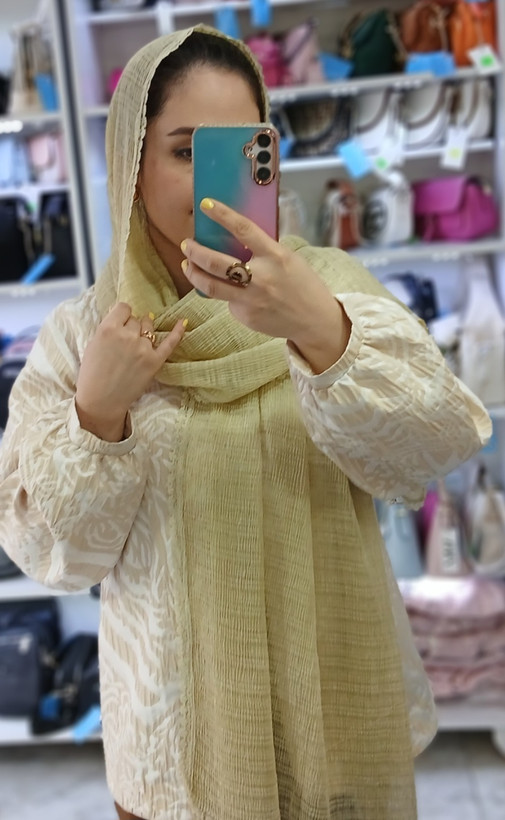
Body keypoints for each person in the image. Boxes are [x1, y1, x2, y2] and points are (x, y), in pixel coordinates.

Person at [0, 24, 491, 820]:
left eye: (241, 150)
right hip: (176, 760)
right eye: (185, 152)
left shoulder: (329, 287)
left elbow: (428, 448)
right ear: (130, 163)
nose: (214, 188)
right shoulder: (86, 334)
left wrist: (322, 332)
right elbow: (54, 554)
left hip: (335, 726)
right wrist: (98, 411)